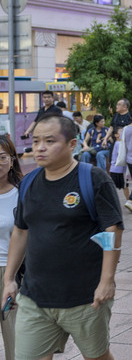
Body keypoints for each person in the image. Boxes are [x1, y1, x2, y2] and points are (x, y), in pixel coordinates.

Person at [2, 115, 123, 360]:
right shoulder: (30, 183)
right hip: (35, 297)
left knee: (97, 356)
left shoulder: (93, 179)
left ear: (72, 144)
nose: (40, 147)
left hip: (84, 298)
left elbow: (112, 230)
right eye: (36, 141)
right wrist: (9, 279)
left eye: (49, 141)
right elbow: (21, 231)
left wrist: (107, 280)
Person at [0, 135, 21, 359]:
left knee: (16, 341)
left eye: (2, 157)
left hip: (12, 273)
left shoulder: (22, 193)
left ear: (12, 160)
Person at [109, 126, 130, 202]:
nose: (123, 133)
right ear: (116, 135)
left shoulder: (118, 143)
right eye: (121, 131)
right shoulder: (119, 143)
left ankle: (111, 202)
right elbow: (121, 155)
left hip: (114, 169)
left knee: (114, 187)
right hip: (120, 170)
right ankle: (129, 201)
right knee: (125, 186)